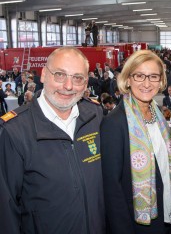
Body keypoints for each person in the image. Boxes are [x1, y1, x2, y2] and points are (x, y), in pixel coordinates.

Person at [0, 47, 106, 233]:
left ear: (86, 83)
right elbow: (5, 208)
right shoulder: (14, 131)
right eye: (59, 75)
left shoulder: (95, 115)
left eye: (77, 78)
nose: (68, 86)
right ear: (43, 75)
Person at [101, 50, 171, 234]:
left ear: (161, 81)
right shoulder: (114, 123)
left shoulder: (158, 115)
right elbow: (111, 189)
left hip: (168, 215)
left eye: (153, 76)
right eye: (139, 75)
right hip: (137, 224)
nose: (147, 83)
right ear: (128, 79)